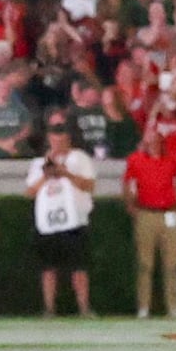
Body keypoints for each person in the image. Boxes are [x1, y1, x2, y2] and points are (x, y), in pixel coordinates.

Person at [28, 130, 105, 316]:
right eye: (54, 140)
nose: (57, 144)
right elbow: (30, 191)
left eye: (61, 140)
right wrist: (46, 174)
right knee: (48, 270)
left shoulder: (79, 158)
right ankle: (49, 309)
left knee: (79, 268)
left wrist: (66, 173)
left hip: (73, 221)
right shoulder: (38, 163)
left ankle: (84, 308)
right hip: (48, 223)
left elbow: (90, 186)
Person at [132, 107, 176, 320]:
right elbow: (129, 184)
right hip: (147, 212)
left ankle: (173, 307)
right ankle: (144, 307)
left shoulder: (172, 161)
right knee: (145, 264)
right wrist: (133, 207)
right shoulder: (136, 160)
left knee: (172, 264)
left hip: (168, 212)